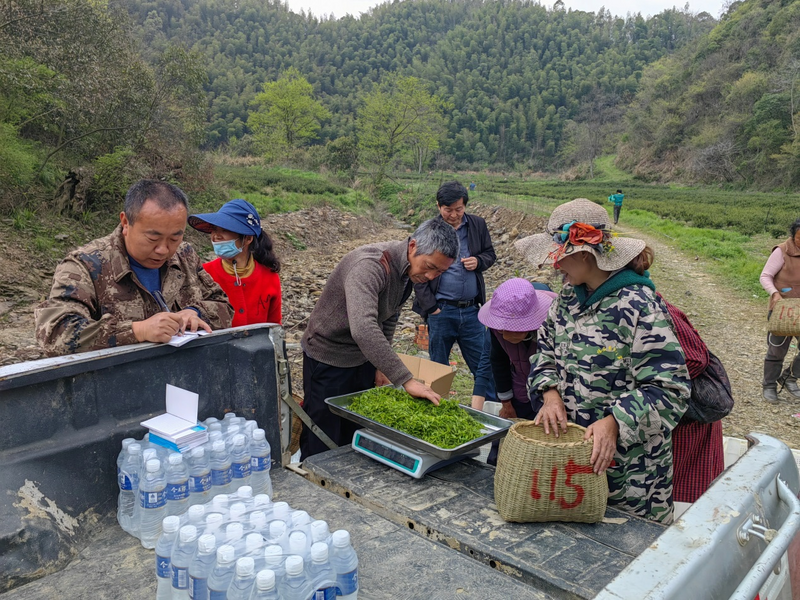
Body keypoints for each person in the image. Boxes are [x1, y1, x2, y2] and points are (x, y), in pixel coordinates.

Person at [517, 198, 690, 523]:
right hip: (573, 467)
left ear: (585, 255)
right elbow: (544, 351)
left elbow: (671, 389)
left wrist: (614, 422)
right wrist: (549, 392)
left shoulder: (639, 307)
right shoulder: (567, 300)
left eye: (559, 257)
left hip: (631, 478)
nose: (554, 266)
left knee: (630, 556)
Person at [300, 218, 459, 459]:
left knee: (355, 429)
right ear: (413, 246)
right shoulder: (370, 266)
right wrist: (405, 379)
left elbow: (389, 316)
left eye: (439, 271)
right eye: (429, 266)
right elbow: (364, 327)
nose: (430, 276)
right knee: (323, 433)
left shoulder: (407, 272)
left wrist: (380, 365)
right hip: (328, 357)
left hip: (361, 357)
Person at [35, 180, 234, 356]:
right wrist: (138, 331)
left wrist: (194, 313)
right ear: (125, 223)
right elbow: (56, 334)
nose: (163, 250)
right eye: (153, 238)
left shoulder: (184, 255)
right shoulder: (86, 265)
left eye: (174, 237)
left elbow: (223, 305)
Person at [413, 181, 497, 406]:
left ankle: (491, 410)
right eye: (448, 210)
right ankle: (438, 409)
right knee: (438, 368)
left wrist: (478, 261)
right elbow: (417, 271)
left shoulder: (477, 225)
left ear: (465, 206)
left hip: (471, 311)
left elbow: (490, 254)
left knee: (483, 363)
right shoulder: (430, 230)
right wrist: (432, 308)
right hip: (442, 310)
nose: (453, 215)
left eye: (458, 209)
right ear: (438, 206)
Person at [476, 278, 557, 466]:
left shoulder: (553, 327)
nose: (504, 334)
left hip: (551, 391)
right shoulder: (496, 329)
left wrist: (552, 399)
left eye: (511, 329)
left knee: (543, 437)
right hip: (518, 384)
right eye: (501, 329)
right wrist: (506, 402)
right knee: (508, 432)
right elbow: (498, 361)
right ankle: (497, 467)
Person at [659, 297, 724, 504]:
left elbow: (696, 358)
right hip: (667, 418)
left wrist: (648, 382)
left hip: (688, 420)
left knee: (688, 499)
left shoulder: (652, 305)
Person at [188, 199, 282, 326]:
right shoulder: (204, 274)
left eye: (224, 230)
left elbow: (274, 326)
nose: (216, 236)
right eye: (214, 229)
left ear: (248, 238)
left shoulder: (269, 277)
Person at [759, 218, 800, 403]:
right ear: (793, 235)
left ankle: (789, 377)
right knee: (776, 350)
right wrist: (775, 293)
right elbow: (765, 276)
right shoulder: (782, 251)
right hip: (783, 309)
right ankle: (769, 386)